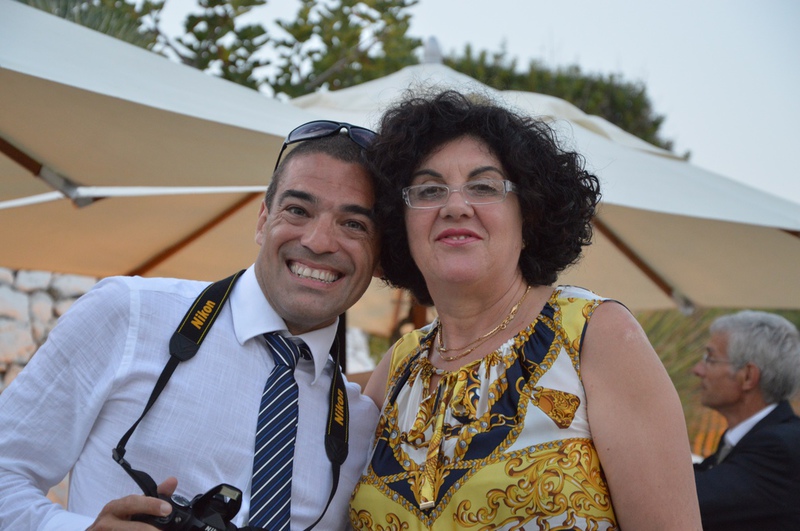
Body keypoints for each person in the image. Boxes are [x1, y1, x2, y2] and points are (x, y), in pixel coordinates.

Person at [0, 121, 382, 530]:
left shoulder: (361, 426)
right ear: (262, 221)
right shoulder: (129, 313)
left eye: (354, 224)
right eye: (298, 210)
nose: (319, 241)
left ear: (380, 256)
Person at [349, 90, 702, 531]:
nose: (455, 206)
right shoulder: (399, 366)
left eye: (483, 187)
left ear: (529, 215)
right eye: (429, 190)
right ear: (400, 222)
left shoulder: (595, 335)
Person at [692, 310, 800, 530]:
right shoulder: (755, 439)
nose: (698, 370)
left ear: (748, 376)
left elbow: (685, 498)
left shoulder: (779, 448)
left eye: (710, 359)